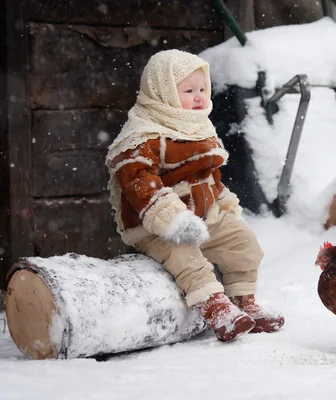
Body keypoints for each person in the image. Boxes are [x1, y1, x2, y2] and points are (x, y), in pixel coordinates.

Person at [105, 49, 284, 342]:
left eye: (203, 89)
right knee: (185, 256)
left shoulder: (196, 126)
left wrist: (222, 203)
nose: (199, 96)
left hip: (205, 215)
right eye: (189, 90)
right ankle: (216, 309)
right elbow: (138, 181)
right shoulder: (143, 135)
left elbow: (209, 174)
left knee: (242, 241)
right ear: (162, 93)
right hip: (157, 224)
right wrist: (173, 219)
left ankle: (244, 301)